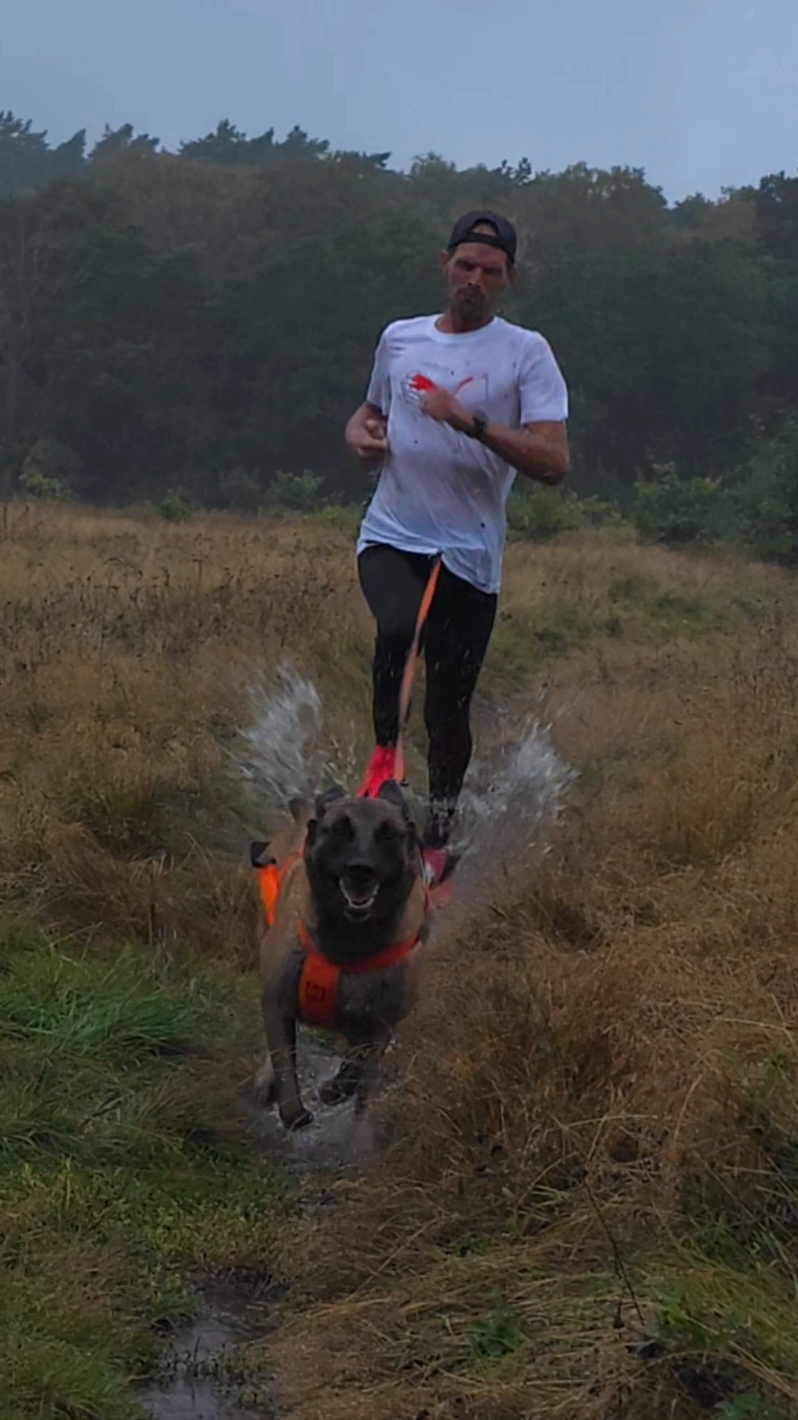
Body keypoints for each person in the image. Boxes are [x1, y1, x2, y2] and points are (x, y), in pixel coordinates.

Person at [345, 210, 570, 883]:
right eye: (465, 266)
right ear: (445, 265)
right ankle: (385, 767)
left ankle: (440, 827)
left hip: (470, 553)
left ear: (508, 280)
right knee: (395, 627)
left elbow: (554, 463)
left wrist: (470, 421)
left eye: (489, 271)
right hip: (393, 532)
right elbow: (371, 413)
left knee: (450, 703)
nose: (474, 279)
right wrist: (358, 433)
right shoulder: (401, 338)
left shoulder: (526, 352)